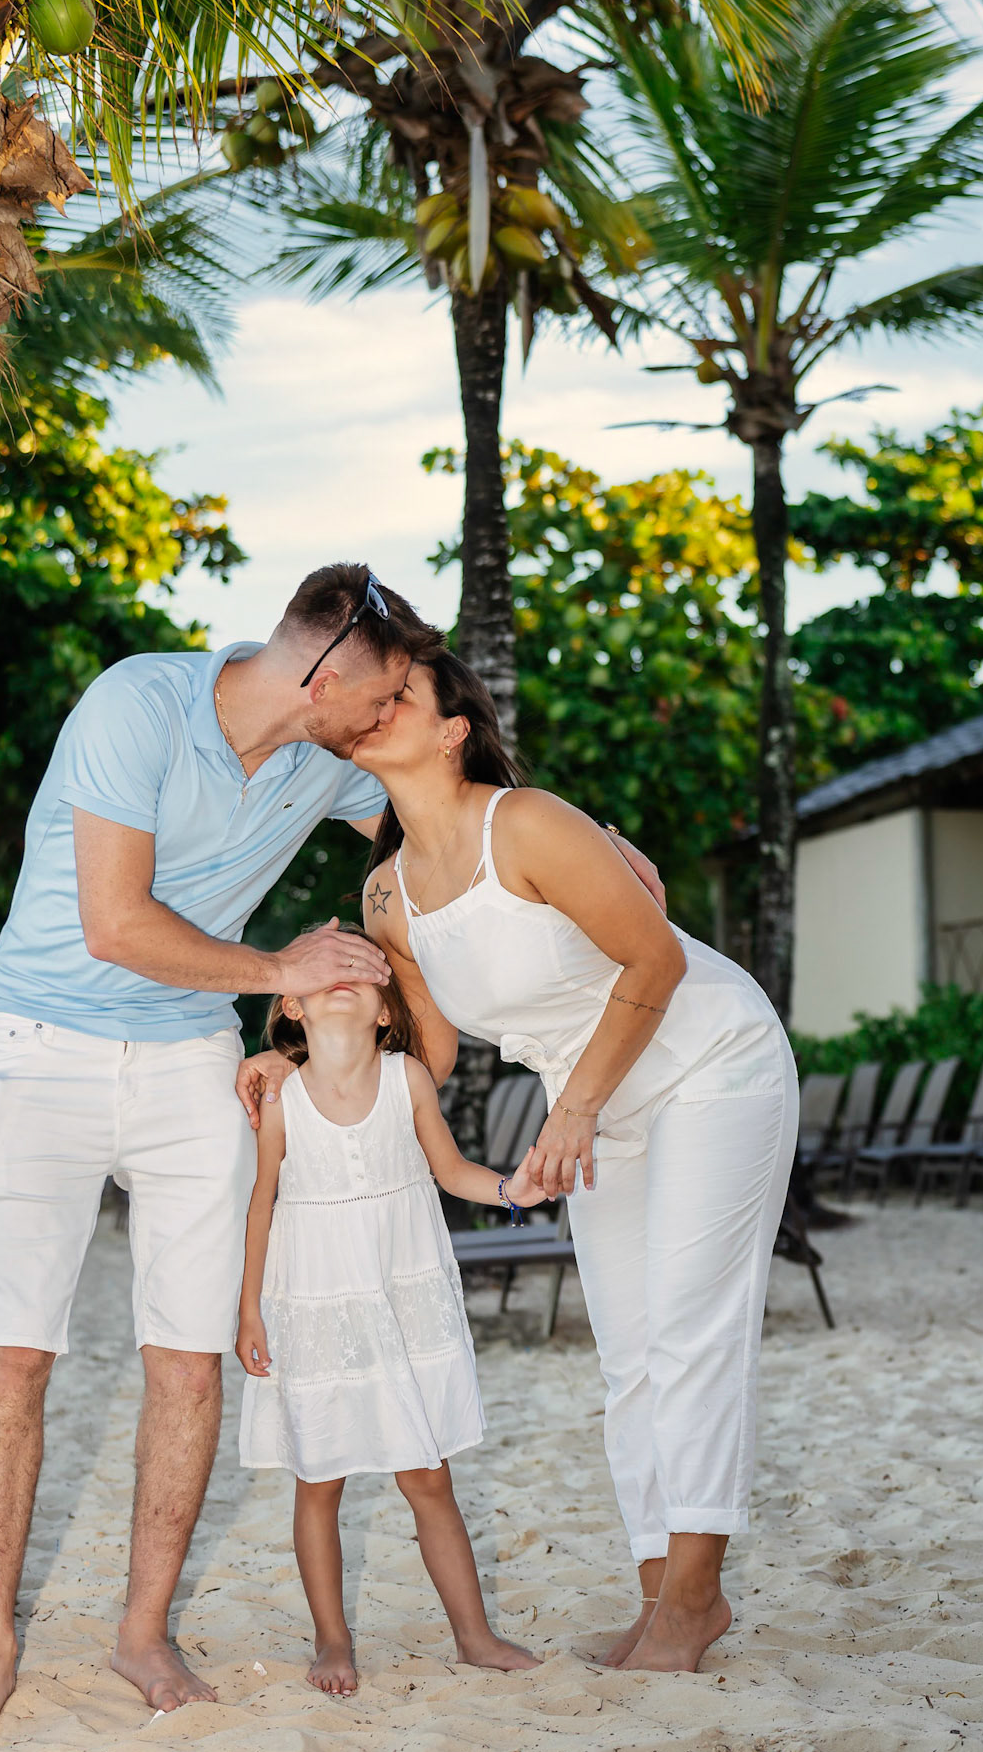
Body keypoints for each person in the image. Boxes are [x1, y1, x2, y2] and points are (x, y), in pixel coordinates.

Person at [0, 564, 444, 1739]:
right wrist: (283, 968)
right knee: (11, 1355)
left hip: (186, 1063)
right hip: (40, 1046)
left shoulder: (325, 756)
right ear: (322, 673)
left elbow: (442, 806)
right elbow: (116, 922)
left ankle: (142, 1628)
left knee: (191, 1361)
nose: (384, 720)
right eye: (380, 694)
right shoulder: (137, 704)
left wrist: (563, 836)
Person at [241, 650, 797, 1677]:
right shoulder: (386, 894)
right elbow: (428, 1053)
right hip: (596, 1109)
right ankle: (657, 1597)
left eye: (401, 693)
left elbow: (659, 958)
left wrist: (575, 1103)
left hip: (710, 1063)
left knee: (688, 1330)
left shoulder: (528, 822)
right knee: (629, 1351)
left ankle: (695, 1595)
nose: (377, 707)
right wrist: (288, 1062)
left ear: (453, 728)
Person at [235, 929, 547, 1695]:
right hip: (314, 1294)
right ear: (291, 1007)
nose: (342, 982)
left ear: (384, 1014)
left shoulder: (408, 1077)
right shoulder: (280, 1096)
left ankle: (473, 1635)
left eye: (360, 977)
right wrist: (247, 1312)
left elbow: (451, 1171)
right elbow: (260, 1205)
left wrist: (513, 1191)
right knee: (320, 1476)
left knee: (428, 1475)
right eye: (325, 975)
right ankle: (332, 1641)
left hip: (401, 1289)